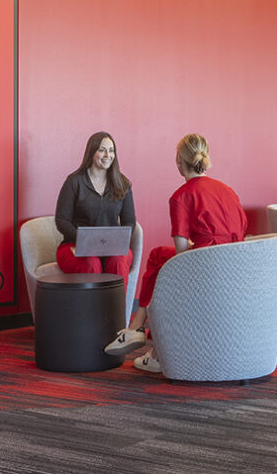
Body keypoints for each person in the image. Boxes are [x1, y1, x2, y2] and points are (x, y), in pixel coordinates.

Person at [104, 133, 247, 374]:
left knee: (159, 257)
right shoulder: (228, 190)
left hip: (206, 268)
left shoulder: (181, 197)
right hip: (235, 266)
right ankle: (148, 342)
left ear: (179, 161)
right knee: (161, 257)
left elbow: (182, 255)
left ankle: (139, 330)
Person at [53, 131, 136, 279]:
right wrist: (84, 240)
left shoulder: (123, 184)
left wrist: (120, 239)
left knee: (118, 261)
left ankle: (116, 303)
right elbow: (62, 221)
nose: (107, 155)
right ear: (92, 152)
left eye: (111, 151)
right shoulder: (74, 182)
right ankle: (91, 303)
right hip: (76, 245)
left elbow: (129, 220)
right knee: (91, 263)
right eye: (102, 150)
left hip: (112, 248)